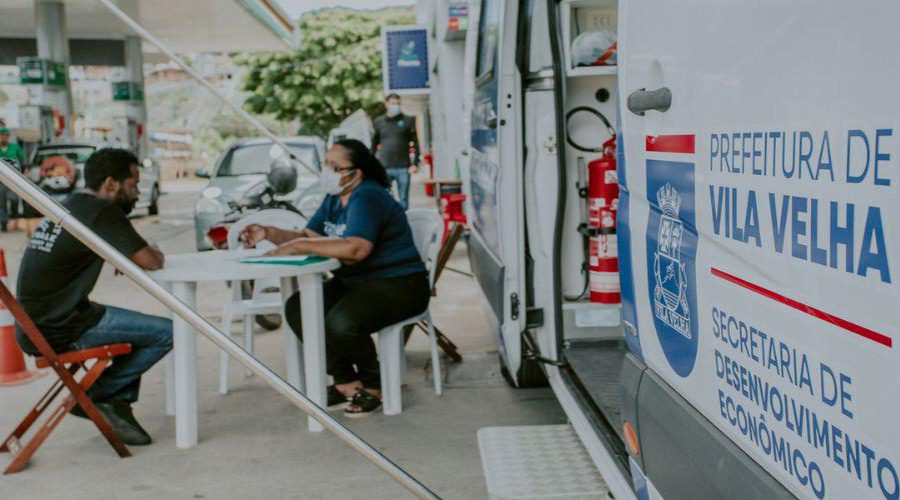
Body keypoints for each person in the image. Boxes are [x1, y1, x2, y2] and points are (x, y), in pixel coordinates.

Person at [241, 139, 429, 417]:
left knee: (341, 322)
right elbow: (309, 236)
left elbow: (356, 248)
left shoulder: (368, 196)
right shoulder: (335, 197)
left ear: (356, 173)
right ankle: (346, 382)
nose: (326, 171)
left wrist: (301, 247)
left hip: (399, 284)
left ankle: (375, 385)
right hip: (358, 283)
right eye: (326, 164)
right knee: (298, 307)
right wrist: (268, 232)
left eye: (334, 166)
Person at [15, 148, 171, 445]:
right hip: (61, 327)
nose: (138, 193)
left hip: (36, 327)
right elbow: (152, 260)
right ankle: (97, 396)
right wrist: (150, 249)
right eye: (133, 184)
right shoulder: (102, 211)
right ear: (111, 184)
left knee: (137, 328)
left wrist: (120, 256)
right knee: (167, 331)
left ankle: (115, 401)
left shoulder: (71, 205)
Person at [371, 93, 421, 210]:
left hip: (403, 167)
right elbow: (374, 144)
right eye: (393, 104)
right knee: (384, 197)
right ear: (386, 104)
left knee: (403, 199)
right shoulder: (379, 122)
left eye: (398, 104)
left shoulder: (408, 120)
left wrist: (415, 163)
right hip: (384, 167)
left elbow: (415, 143)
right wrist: (370, 163)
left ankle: (402, 224)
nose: (396, 106)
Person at [0, 128, 25, 231]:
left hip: (13, 179)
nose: (4, 137)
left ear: (8, 137)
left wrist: (22, 173)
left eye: (6, 136)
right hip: (1, 179)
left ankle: (15, 220)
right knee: (1, 203)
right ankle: (4, 224)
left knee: (14, 199)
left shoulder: (15, 147)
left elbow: (23, 160)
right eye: (2, 135)